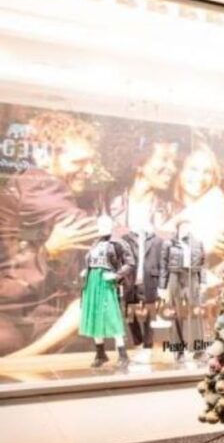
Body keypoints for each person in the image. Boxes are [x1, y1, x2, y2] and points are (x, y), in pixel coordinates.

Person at [0, 112, 101, 356]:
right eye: (79, 162)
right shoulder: (39, 183)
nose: (89, 170)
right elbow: (88, 231)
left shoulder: (40, 186)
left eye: (91, 161)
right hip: (21, 312)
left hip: (25, 308)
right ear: (44, 156)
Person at [79, 216, 133, 368]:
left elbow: (130, 263)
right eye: (100, 224)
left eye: (105, 223)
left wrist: (116, 275)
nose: (101, 226)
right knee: (95, 316)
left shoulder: (118, 243)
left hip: (106, 283)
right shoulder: (95, 244)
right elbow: (92, 262)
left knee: (112, 317)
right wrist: (87, 271)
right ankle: (100, 353)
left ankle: (123, 354)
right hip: (92, 283)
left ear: (111, 225)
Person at [165, 143, 224, 259]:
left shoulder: (218, 206)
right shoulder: (162, 207)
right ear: (180, 171)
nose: (200, 178)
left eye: (207, 172)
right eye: (193, 169)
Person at [109, 138, 179, 234]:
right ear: (139, 163)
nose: (173, 169)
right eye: (164, 159)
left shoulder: (172, 211)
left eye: (174, 162)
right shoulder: (105, 204)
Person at [159, 220, 205, 361]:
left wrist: (202, 281)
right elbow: (163, 264)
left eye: (188, 227)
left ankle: (199, 349)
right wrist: (162, 286)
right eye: (183, 227)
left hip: (191, 276)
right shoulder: (168, 243)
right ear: (177, 228)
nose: (186, 229)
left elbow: (203, 263)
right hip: (175, 276)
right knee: (176, 313)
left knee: (194, 313)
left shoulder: (197, 243)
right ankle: (178, 351)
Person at [122, 219, 163, 362]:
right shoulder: (125, 240)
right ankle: (138, 343)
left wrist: (162, 285)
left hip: (150, 280)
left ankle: (147, 347)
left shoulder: (157, 241)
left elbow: (161, 263)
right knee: (129, 314)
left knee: (149, 316)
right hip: (131, 281)